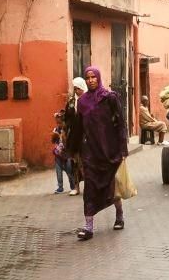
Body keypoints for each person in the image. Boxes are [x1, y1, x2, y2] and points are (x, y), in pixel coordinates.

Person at [69, 66, 127, 241]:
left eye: (93, 77)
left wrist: (122, 149)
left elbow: (120, 124)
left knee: (111, 188)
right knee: (90, 189)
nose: (91, 80)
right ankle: (88, 227)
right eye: (87, 77)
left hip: (109, 151)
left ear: (99, 78)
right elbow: (78, 127)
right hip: (91, 153)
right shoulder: (82, 102)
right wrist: (72, 150)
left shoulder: (110, 98)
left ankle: (119, 215)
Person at [63, 77, 88, 196]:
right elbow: (67, 118)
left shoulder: (89, 99)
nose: (77, 91)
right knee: (74, 163)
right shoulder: (71, 101)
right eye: (75, 89)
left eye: (78, 88)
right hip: (74, 136)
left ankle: (89, 187)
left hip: (86, 135)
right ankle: (76, 187)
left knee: (86, 162)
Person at [50, 114, 75, 194]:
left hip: (67, 154)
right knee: (58, 171)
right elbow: (52, 141)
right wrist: (55, 136)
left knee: (69, 171)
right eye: (57, 123)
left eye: (60, 122)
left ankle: (73, 187)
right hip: (58, 154)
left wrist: (64, 136)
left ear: (64, 122)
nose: (59, 124)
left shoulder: (68, 130)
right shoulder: (55, 130)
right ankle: (60, 187)